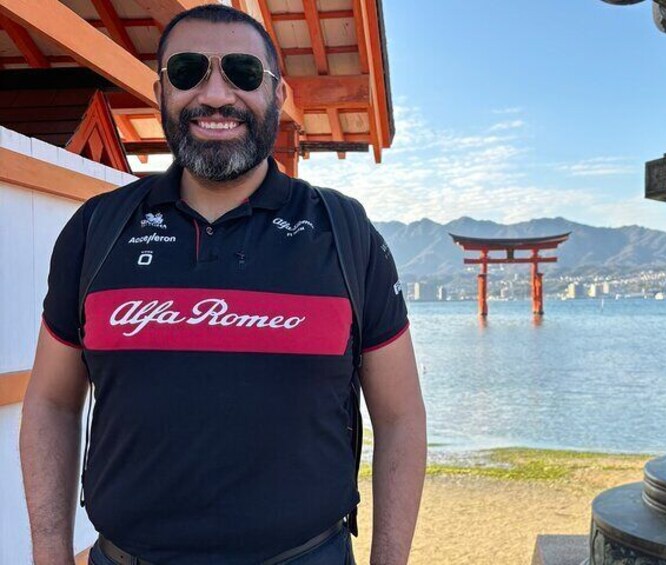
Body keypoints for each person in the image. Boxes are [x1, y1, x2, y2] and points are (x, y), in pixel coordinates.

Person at [19, 5, 426, 564]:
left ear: (277, 94)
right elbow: (51, 402)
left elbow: (401, 416)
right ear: (161, 91)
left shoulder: (344, 232)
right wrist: (48, 551)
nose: (215, 95)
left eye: (243, 72)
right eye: (188, 71)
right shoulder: (97, 229)